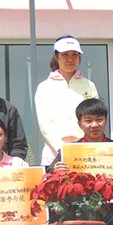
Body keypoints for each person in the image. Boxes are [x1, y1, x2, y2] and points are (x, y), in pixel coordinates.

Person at [35, 35, 100, 166]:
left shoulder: (89, 85)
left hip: (84, 151)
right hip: (54, 153)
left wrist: (84, 144)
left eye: (74, 55)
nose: (70, 59)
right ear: (56, 56)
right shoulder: (44, 87)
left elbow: (96, 117)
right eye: (65, 55)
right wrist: (60, 148)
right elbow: (45, 124)